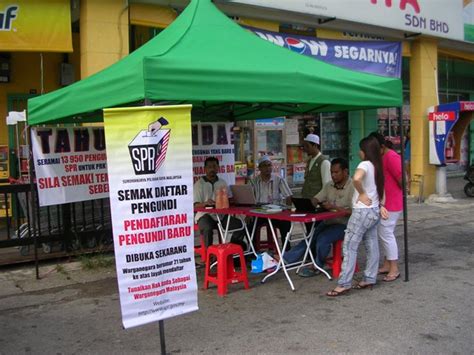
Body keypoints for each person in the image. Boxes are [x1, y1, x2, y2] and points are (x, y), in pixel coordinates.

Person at [327, 136, 386, 297]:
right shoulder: (377, 166)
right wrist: (380, 205)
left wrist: (361, 194)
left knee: (349, 246)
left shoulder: (365, 164)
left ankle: (344, 283)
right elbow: (380, 190)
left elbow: (357, 179)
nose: (359, 152)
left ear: (365, 151)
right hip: (373, 211)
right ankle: (369, 277)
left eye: (360, 149)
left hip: (362, 212)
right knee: (372, 243)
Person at [282, 158, 354, 275]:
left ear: (345, 172)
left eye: (336, 172)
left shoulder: (353, 187)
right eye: (331, 172)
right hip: (328, 222)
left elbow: (353, 211)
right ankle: (286, 259)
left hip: (345, 225)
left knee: (322, 239)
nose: (333, 175)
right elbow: (316, 198)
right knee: (310, 236)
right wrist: (310, 204)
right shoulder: (329, 185)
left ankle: (317, 265)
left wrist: (333, 207)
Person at [369, 132, 402, 282]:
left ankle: (394, 267)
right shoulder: (382, 157)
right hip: (384, 202)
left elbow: (402, 179)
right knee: (382, 234)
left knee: (386, 233)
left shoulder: (391, 157)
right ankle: (387, 263)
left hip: (392, 203)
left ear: (381, 147)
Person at [194, 157, 246, 249]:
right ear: (205, 169)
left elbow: (229, 199)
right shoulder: (199, 184)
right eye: (209, 167)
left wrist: (232, 200)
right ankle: (209, 256)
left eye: (214, 166)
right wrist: (205, 203)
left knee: (240, 225)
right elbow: (195, 205)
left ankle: (232, 249)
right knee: (207, 228)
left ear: (218, 168)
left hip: (221, 216)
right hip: (204, 215)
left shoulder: (222, 182)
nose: (212, 169)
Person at [249, 156, 293, 251]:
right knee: (249, 225)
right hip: (259, 212)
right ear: (259, 168)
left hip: (275, 212)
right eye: (264, 166)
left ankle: (287, 249)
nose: (267, 168)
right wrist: (249, 214)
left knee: (286, 222)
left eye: (269, 165)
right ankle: (253, 251)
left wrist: (288, 210)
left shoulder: (278, 179)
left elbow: (288, 196)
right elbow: (250, 198)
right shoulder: (254, 181)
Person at [301, 134, 331, 199]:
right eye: (304, 146)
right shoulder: (309, 160)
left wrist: (318, 199)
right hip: (307, 199)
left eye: (307, 146)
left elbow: (326, 185)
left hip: (317, 201)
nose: (305, 149)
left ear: (315, 145)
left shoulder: (324, 162)